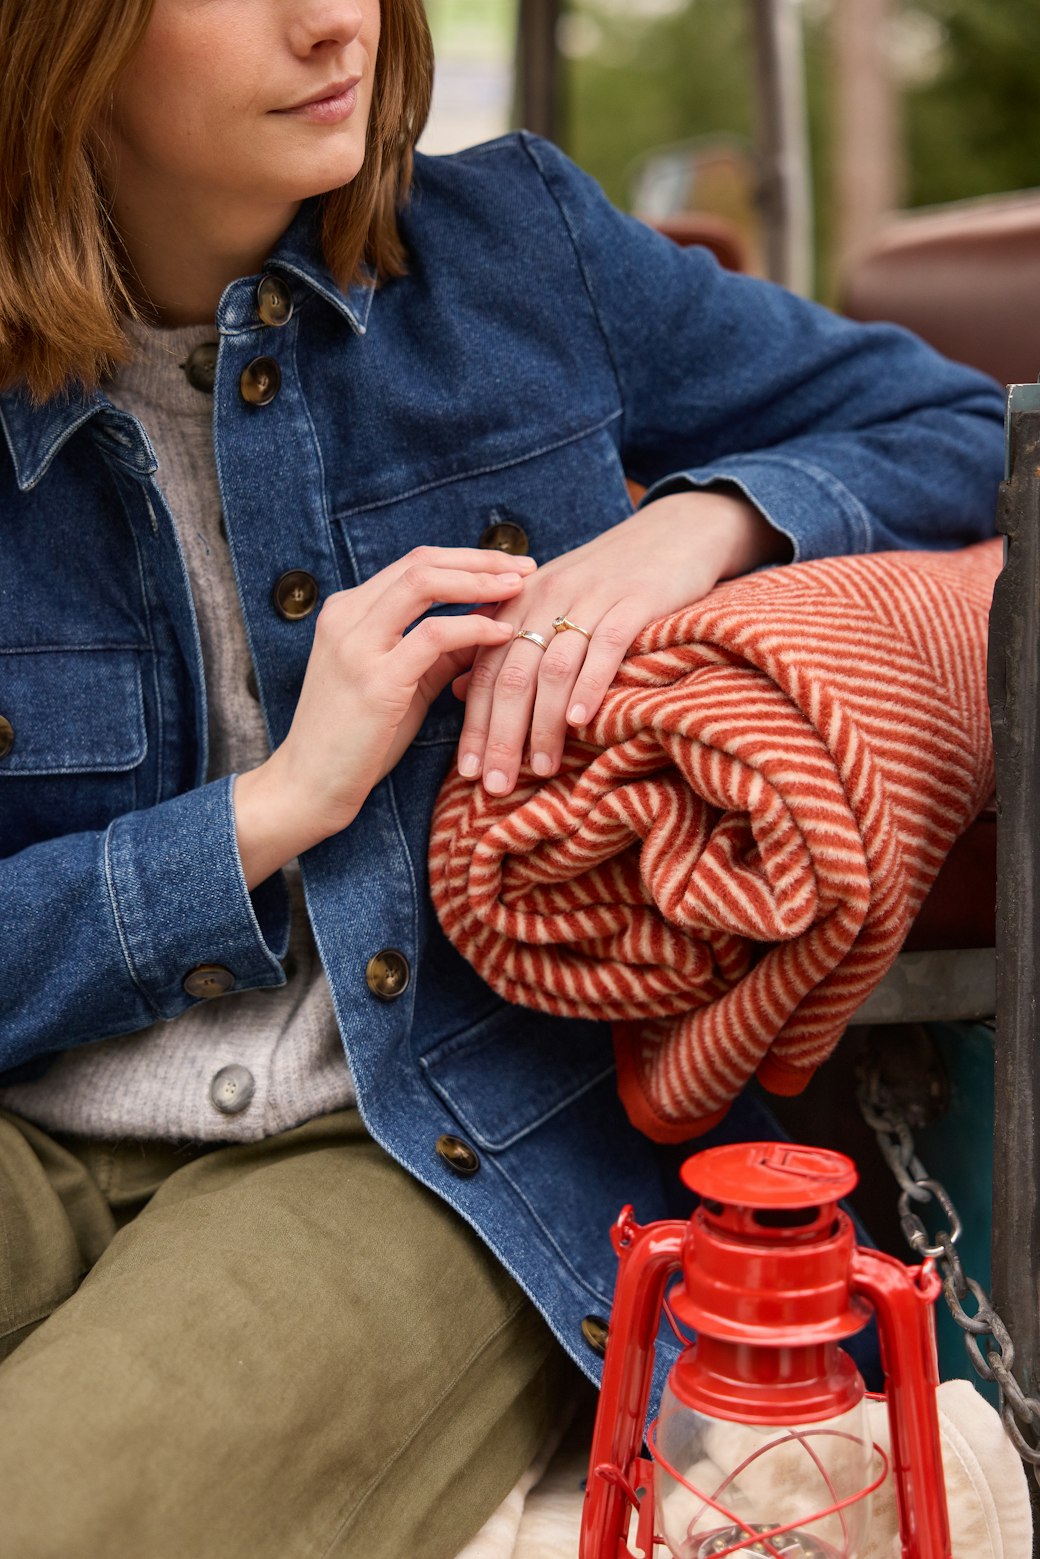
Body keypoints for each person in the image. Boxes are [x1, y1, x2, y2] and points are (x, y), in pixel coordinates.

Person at [0, 1, 1005, 1555]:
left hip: (410, 1129)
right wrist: (272, 812)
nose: (334, 16)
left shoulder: (519, 244)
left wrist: (709, 518)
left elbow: (957, 422)